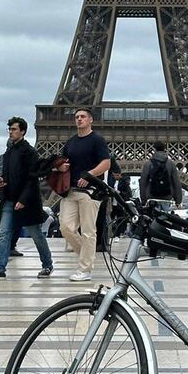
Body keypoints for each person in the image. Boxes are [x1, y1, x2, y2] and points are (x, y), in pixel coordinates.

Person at [0, 117, 52, 280]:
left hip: (26, 201)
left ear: (22, 131)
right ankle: (0, 268)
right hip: (9, 198)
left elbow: (32, 178)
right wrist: (2, 181)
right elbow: (8, 174)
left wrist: (23, 199)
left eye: (14, 129)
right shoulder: (9, 152)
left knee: (36, 234)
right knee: (4, 233)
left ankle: (47, 264)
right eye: (10, 129)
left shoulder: (29, 152)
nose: (11, 132)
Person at [57, 108, 111, 282]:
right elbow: (63, 161)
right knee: (65, 227)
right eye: (77, 117)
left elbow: (106, 163)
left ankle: (85, 269)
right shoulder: (70, 142)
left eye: (83, 117)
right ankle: (87, 255)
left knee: (88, 231)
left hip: (90, 192)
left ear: (90, 120)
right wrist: (61, 166)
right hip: (71, 191)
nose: (79, 119)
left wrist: (90, 175)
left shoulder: (97, 140)